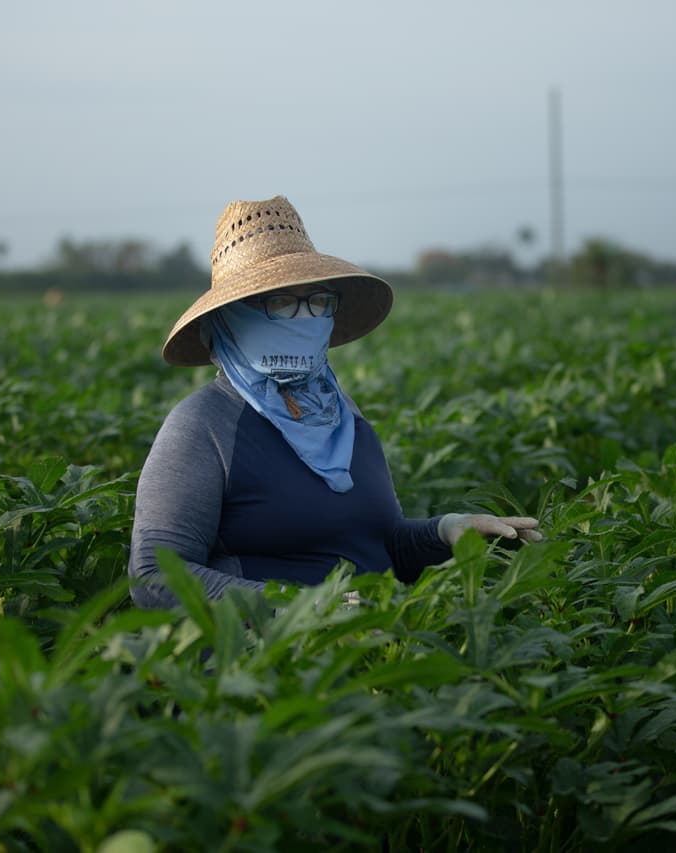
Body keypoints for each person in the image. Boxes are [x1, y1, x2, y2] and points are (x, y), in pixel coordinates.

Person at [128, 195, 541, 609]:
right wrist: (301, 608)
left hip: (372, 646)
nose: (305, 318)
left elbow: (376, 545)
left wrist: (445, 532)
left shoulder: (340, 414)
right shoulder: (204, 425)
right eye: (282, 302)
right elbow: (155, 577)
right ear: (230, 318)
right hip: (269, 659)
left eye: (318, 302)